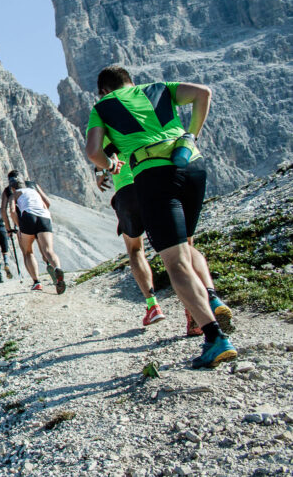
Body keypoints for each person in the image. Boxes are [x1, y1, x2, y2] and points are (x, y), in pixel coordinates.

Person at [85, 65, 235, 369]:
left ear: (103, 91)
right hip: (192, 166)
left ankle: (215, 338)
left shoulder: (102, 107)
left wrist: (109, 165)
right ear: (130, 82)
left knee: (175, 261)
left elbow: (93, 151)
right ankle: (212, 297)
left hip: (154, 177)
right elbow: (204, 93)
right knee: (188, 246)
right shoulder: (159, 88)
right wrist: (191, 135)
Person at [94, 142, 165, 327]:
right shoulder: (139, 115)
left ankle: (153, 305)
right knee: (172, 248)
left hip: (127, 190)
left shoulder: (103, 126)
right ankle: (195, 309)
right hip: (155, 181)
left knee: (135, 250)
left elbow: (99, 152)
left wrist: (100, 173)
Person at [8, 177, 65, 294]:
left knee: (28, 251)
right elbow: (47, 204)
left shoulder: (14, 194)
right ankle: (57, 268)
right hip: (44, 216)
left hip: (28, 217)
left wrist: (20, 225)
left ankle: (37, 282)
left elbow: (12, 210)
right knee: (48, 250)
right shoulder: (34, 191)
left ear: (13, 187)